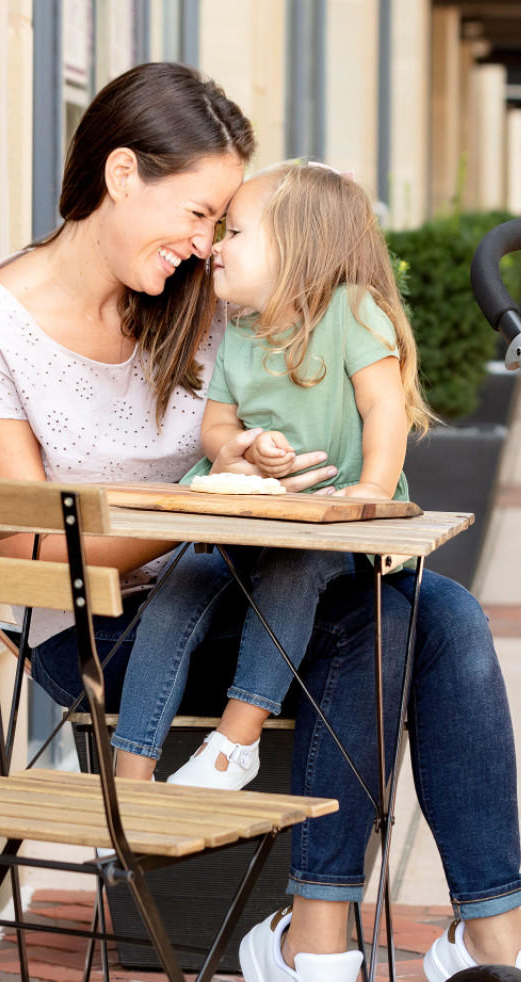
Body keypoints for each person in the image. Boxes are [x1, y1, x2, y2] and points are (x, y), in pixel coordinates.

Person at [0, 62, 521, 982]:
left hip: (251, 585)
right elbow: (28, 552)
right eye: (196, 213)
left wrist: (273, 472)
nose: (205, 243)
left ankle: (440, 939)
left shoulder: (201, 301)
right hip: (108, 635)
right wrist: (203, 507)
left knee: (429, 608)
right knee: (404, 617)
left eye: (223, 223)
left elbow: (297, 400)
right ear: (121, 174)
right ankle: (364, 941)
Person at [146, 160, 428, 797]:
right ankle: (131, 771)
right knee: (182, 585)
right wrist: (241, 446)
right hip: (263, 525)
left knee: (292, 570)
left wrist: (372, 492)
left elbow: (386, 407)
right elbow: (217, 427)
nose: (215, 246)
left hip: (337, 531)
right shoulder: (241, 331)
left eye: (235, 231)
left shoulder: (352, 311)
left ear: (297, 247)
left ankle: (235, 743)